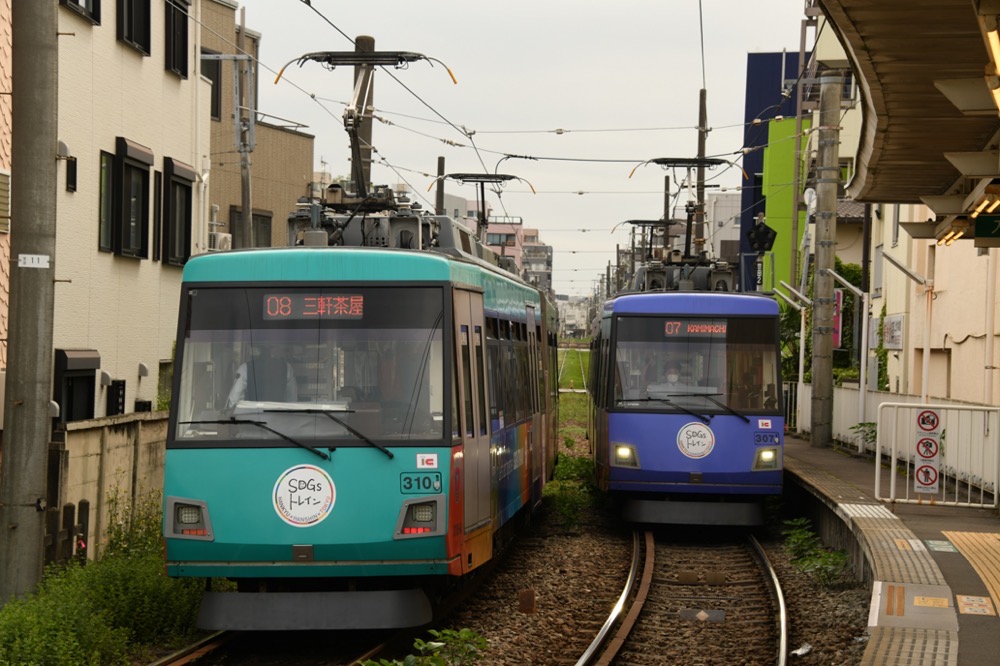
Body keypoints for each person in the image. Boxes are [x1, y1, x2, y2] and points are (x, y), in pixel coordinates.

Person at [225, 347, 298, 409]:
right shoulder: (286, 368)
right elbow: (292, 400)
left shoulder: (245, 368)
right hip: (278, 420)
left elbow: (234, 401)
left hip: (252, 421)